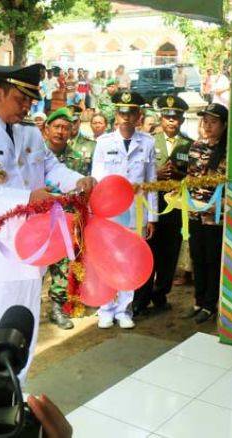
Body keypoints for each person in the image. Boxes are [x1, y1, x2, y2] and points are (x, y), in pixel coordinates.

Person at [0, 63, 96, 380]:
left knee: (24, 320)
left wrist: (77, 180)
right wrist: (26, 199)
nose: (27, 106)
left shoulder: (29, 130)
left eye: (30, 100)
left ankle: (19, 386)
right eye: (20, 98)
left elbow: (51, 168)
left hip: (32, 247)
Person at [91, 90, 156, 329]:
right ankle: (105, 308)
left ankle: (124, 310)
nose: (127, 117)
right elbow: (95, 178)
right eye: (122, 112)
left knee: (130, 259)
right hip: (110, 210)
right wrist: (95, 212)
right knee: (107, 257)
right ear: (116, 115)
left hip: (137, 209)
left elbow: (152, 182)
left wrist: (153, 216)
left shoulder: (147, 143)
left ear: (139, 115)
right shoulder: (104, 142)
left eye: (132, 113)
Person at [134, 95, 192, 317]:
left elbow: (195, 174)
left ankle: (161, 294)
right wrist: (155, 175)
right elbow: (138, 172)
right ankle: (141, 299)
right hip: (151, 207)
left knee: (169, 254)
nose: (171, 121)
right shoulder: (148, 141)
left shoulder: (189, 144)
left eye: (176, 117)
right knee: (147, 253)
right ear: (161, 118)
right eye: (167, 117)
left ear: (182, 120)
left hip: (176, 208)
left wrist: (179, 175)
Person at [43, 108, 90, 330]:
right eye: (57, 127)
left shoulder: (77, 159)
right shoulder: (35, 155)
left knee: (62, 264)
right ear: (46, 129)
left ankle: (57, 307)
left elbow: (82, 191)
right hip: (37, 220)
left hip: (66, 221)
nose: (61, 132)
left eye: (66, 128)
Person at [182, 104, 228, 323]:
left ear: (224, 125)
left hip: (215, 215)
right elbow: (190, 177)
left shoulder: (229, 150)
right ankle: (198, 301)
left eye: (214, 122)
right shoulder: (196, 146)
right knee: (197, 258)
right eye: (206, 121)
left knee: (212, 259)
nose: (208, 126)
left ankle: (211, 304)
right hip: (194, 212)